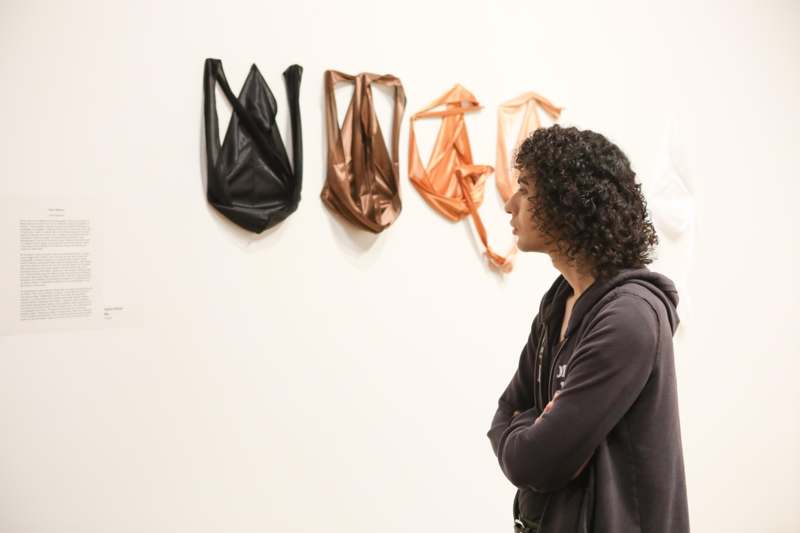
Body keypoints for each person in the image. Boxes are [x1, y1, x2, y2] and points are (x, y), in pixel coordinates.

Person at [487, 125, 690, 532]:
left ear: (567, 202)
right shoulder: (558, 302)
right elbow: (504, 415)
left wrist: (534, 431)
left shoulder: (629, 317)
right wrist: (533, 424)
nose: (510, 205)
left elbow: (537, 463)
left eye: (524, 189)